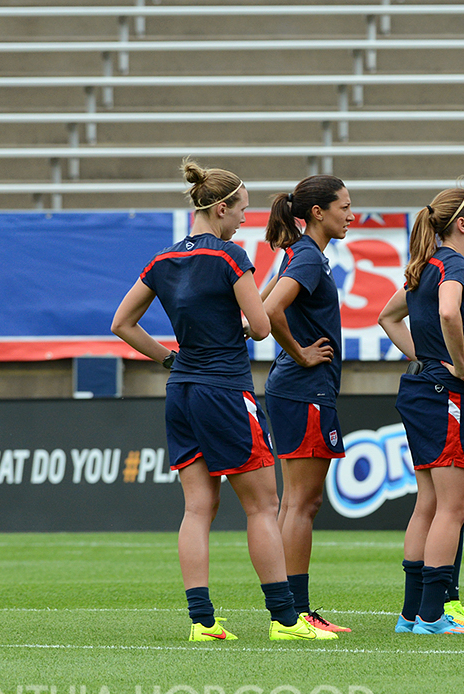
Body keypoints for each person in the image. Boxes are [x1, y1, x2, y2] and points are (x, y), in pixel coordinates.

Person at [111, 160, 335, 643]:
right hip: (226, 391)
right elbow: (259, 327)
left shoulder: (162, 261)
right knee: (262, 506)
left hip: (182, 391)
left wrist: (169, 360)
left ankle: (203, 623)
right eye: (240, 212)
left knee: (197, 509)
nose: (243, 221)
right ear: (219, 209)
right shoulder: (231, 258)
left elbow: (122, 324)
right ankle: (285, 619)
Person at [378, 210, 464, 629]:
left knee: (431, 504)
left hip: (423, 390)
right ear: (461, 225)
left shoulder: (428, 263)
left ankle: (412, 612)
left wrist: (427, 357)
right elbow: (451, 315)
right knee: (452, 506)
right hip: (444, 394)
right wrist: (455, 366)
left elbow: (388, 317)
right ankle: (434, 615)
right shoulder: (453, 264)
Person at [260, 175, 353, 634]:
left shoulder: (300, 253)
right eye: (344, 207)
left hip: (297, 390)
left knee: (295, 503)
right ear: (318, 212)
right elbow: (272, 311)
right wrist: (299, 353)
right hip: (304, 389)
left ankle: (288, 609)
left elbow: (260, 307)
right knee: (302, 503)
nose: (351, 215)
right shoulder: (309, 257)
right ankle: (294, 613)